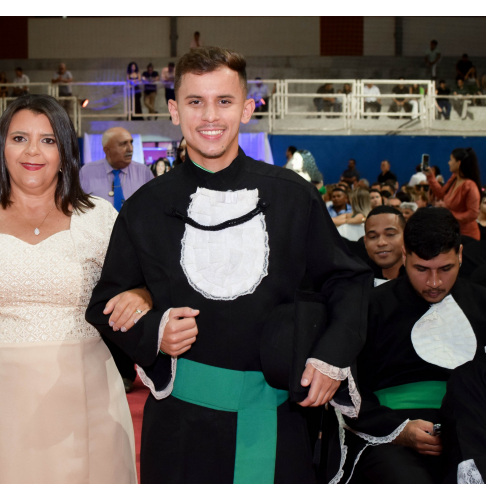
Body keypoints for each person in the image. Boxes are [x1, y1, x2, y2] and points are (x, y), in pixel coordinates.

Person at [85, 46, 372, 484]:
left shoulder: (293, 195)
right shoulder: (146, 206)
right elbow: (104, 302)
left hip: (278, 420)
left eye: (224, 101)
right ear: (174, 111)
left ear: (247, 109)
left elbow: (347, 278)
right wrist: (155, 330)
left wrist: (332, 356)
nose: (210, 116)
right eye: (195, 101)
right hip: (179, 425)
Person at [0, 94, 149, 484]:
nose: (33, 151)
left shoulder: (99, 217)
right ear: (1, 147)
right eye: (19, 138)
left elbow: (141, 286)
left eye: (48, 140)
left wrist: (140, 296)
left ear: (65, 151)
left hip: (87, 399)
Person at [330, 208, 486, 484]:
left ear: (460, 255)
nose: (434, 282)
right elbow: (349, 388)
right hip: (391, 433)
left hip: (476, 430)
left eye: (446, 268)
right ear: (405, 256)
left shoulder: (482, 302)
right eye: (421, 269)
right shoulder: (371, 306)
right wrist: (399, 430)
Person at [79, 126, 154, 211]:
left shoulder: (143, 172)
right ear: (107, 150)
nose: (130, 149)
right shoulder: (86, 172)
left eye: (131, 142)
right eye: (123, 144)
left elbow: (153, 205)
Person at [427, 148, 481, 240]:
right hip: (452, 232)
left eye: (451, 160)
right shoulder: (455, 178)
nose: (448, 162)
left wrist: (449, 214)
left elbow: (473, 214)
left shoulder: (470, 185)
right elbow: (440, 194)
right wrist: (430, 176)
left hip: (467, 236)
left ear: (458, 163)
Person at [363, 205, 406, 286]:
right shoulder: (356, 280)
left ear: (405, 236)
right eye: (373, 237)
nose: (381, 243)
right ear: (365, 242)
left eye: (390, 234)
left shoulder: (421, 278)